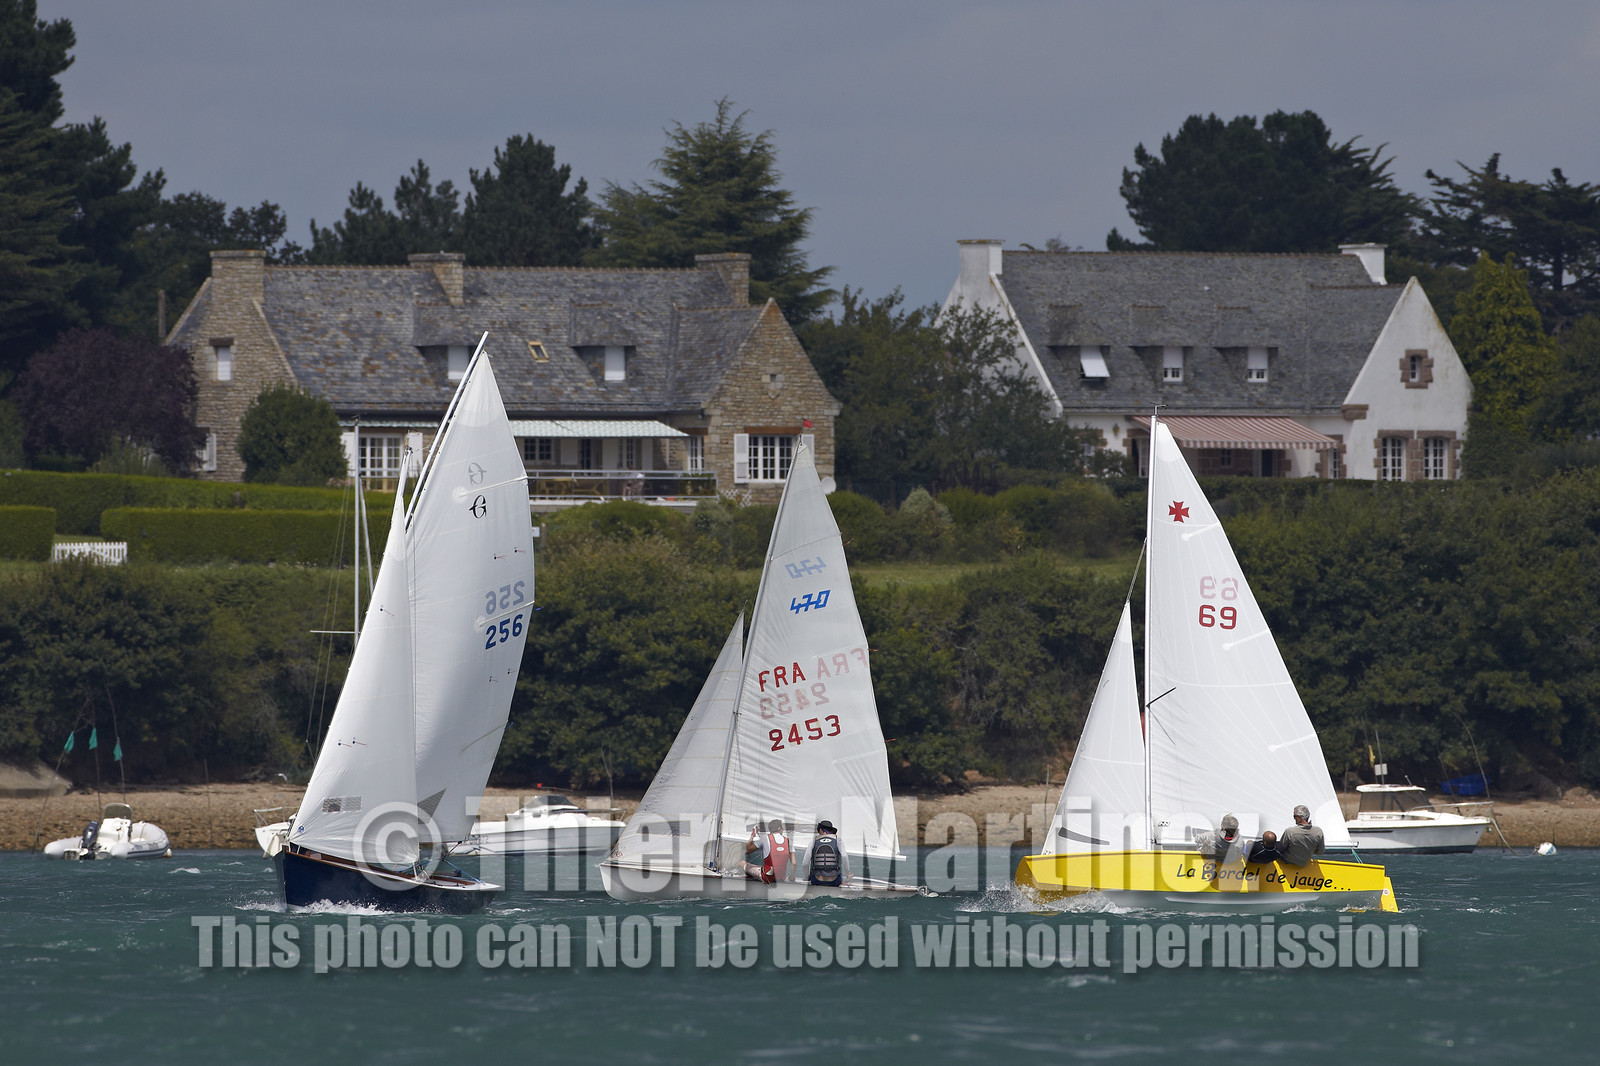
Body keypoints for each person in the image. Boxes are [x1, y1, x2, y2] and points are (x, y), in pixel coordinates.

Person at [743, 818, 792, 883]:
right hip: (781, 877)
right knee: (760, 867)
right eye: (782, 828)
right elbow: (793, 862)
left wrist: (753, 835)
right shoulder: (788, 841)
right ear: (779, 828)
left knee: (742, 863)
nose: (783, 830)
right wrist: (792, 877)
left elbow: (748, 850)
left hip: (767, 877)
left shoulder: (765, 838)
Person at [806, 820, 852, 887]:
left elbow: (805, 862)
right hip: (834, 880)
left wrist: (805, 877)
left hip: (817, 880)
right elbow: (844, 856)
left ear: (820, 830)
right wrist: (848, 873)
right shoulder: (838, 840)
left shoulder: (814, 841)